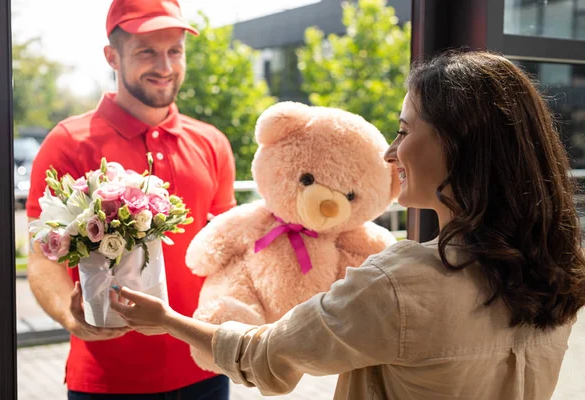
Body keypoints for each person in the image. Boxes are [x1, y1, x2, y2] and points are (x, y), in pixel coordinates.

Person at [108, 50, 585, 400]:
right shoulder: (557, 269)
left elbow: (267, 355)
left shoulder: (401, 282)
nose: (389, 152)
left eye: (404, 130)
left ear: (457, 145)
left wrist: (167, 320)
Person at [26, 0, 236, 398]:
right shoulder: (68, 143)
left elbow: (229, 252)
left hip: (205, 370)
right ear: (112, 57)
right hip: (108, 381)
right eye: (147, 51)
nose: (165, 65)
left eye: (175, 50)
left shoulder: (212, 143)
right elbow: (41, 257)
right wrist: (68, 317)